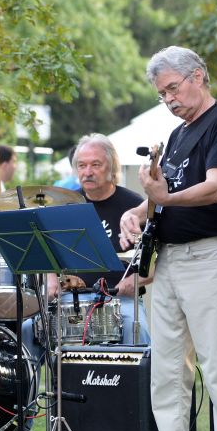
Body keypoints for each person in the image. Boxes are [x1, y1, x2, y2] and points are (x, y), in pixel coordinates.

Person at [120, 46, 217, 431]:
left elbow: (215, 189)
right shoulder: (178, 134)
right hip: (170, 259)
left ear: (198, 76)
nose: (169, 100)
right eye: (162, 94)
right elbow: (167, 191)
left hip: (208, 255)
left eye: (173, 88)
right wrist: (139, 211)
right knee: (167, 369)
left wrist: (162, 199)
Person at [42, 133, 151, 346]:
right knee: (29, 331)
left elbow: (156, 260)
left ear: (111, 168)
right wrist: (51, 278)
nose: (88, 172)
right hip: (71, 299)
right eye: (82, 166)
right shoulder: (66, 206)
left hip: (119, 300)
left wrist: (136, 281)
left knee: (138, 332)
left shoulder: (135, 207)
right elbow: (47, 252)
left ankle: (138, 379)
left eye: (96, 165)